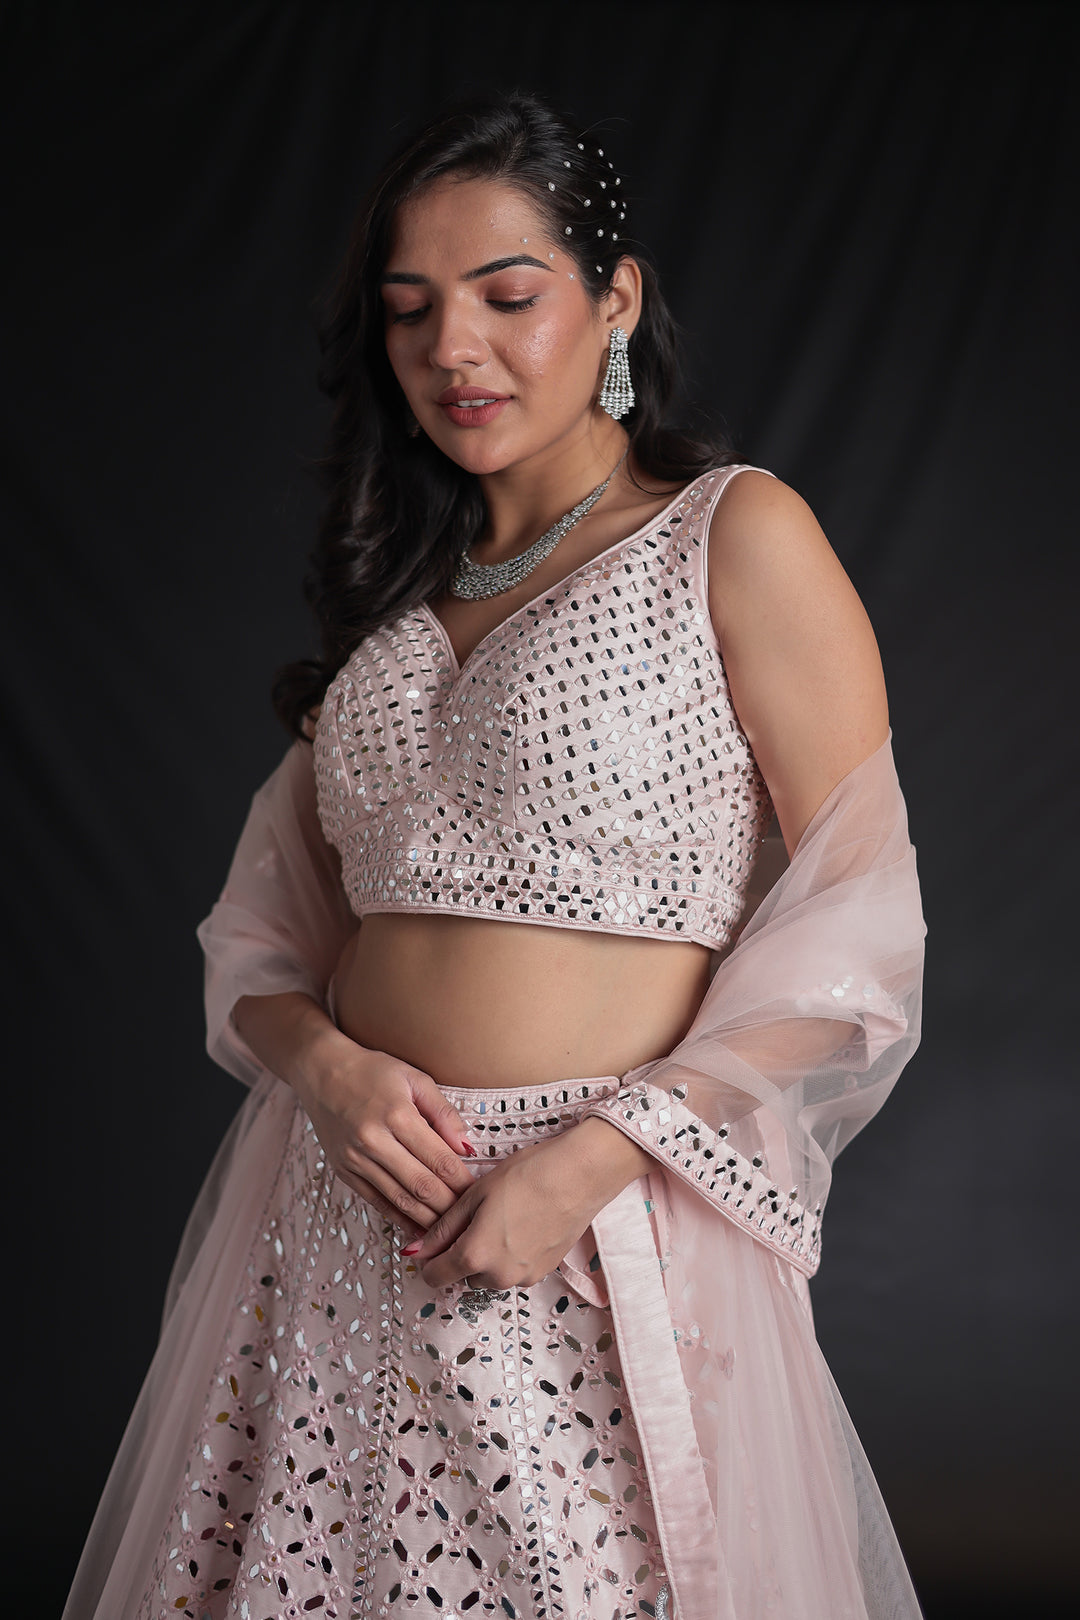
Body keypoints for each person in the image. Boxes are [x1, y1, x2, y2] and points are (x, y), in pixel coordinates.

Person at [64, 90, 927, 1620]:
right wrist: (332, 1075)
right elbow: (260, 944)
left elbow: (856, 930)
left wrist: (594, 1161)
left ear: (617, 300)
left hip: (577, 1226)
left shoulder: (731, 536)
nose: (453, 349)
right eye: (410, 312)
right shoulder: (396, 606)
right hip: (332, 1213)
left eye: (507, 296)